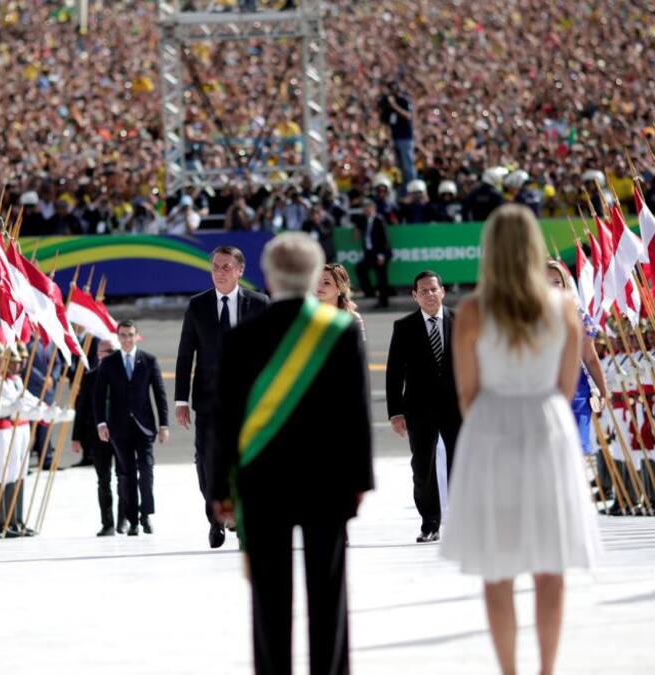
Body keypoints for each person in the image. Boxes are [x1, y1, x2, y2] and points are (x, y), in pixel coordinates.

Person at [442, 205, 600, 675]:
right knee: (551, 566)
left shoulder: (472, 309)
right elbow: (566, 385)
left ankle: (510, 671)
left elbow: (467, 392)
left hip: (492, 429)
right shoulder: (563, 308)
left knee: (498, 565)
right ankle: (546, 670)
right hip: (546, 425)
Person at [210, 231, 372, 675]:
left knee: (269, 598)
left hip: (262, 481)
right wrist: (360, 481)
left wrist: (220, 488)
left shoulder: (242, 335)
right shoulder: (338, 331)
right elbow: (354, 415)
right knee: (329, 594)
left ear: (267, 276)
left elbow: (226, 422)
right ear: (310, 274)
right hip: (328, 481)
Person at [175, 246, 270, 548]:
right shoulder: (197, 305)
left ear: (240, 270)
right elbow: (184, 353)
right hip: (207, 401)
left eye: (227, 266)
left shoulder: (259, 303)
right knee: (206, 462)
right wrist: (180, 400)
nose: (220, 271)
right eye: (216, 266)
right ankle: (216, 518)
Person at [385, 270, 461, 542]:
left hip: (457, 407)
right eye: (423, 291)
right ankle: (430, 522)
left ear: (443, 291)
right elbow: (394, 373)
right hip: (419, 409)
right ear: (414, 295)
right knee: (423, 467)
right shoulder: (404, 327)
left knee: (461, 462)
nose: (429, 294)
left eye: (433, 289)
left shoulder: (462, 321)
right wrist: (395, 412)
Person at [94, 321, 169, 536]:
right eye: (123, 335)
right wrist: (101, 424)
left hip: (144, 427)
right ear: (118, 337)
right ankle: (133, 519)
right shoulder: (109, 363)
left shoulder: (148, 360)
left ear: (137, 336)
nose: (126, 339)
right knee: (126, 474)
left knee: (146, 470)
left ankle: (146, 514)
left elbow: (159, 394)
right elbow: (98, 396)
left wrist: (163, 424)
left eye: (130, 335)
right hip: (119, 428)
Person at [545, 260, 608, 457]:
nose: (552, 287)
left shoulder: (578, 315)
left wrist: (604, 392)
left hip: (578, 394)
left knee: (575, 455)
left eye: (556, 281)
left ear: (564, 284)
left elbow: (590, 357)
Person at [74, 338, 125, 536]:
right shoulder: (90, 376)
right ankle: (108, 524)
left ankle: (124, 521)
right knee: (103, 480)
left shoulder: (124, 374)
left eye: (112, 351)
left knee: (123, 478)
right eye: (105, 352)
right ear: (98, 354)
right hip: (97, 438)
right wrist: (76, 437)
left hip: (121, 436)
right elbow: (82, 407)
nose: (109, 355)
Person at [354, 198, 393, 309]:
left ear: (373, 208)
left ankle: (383, 301)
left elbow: (384, 239)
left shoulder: (379, 220)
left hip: (381, 253)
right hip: (370, 253)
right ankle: (369, 292)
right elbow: (357, 223)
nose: (366, 210)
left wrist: (381, 255)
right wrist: (356, 228)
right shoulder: (364, 220)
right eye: (365, 208)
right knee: (360, 268)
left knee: (381, 278)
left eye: (368, 208)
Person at [379, 80, 416, 190]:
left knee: (408, 165)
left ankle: (413, 188)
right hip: (395, 138)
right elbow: (384, 121)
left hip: (405, 138)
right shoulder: (387, 104)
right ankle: (403, 190)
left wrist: (394, 106)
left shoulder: (403, 101)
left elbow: (408, 116)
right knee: (399, 167)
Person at [316, 263, 365, 340]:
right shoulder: (308, 316)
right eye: (317, 281)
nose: (319, 286)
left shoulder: (353, 318)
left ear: (339, 288)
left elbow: (358, 349)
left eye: (327, 283)